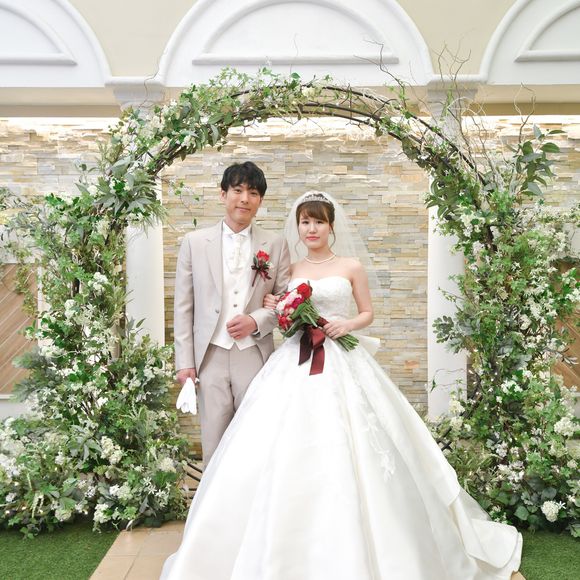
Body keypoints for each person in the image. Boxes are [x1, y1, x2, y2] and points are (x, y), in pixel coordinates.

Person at [162, 191, 522, 579]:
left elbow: (367, 312)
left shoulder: (351, 266)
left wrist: (346, 324)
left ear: (331, 226)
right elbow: (278, 313)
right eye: (305, 222)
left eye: (318, 221)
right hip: (295, 361)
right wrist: (283, 312)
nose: (311, 229)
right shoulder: (290, 267)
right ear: (298, 227)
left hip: (341, 359)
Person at [173, 161, 291, 465]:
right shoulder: (195, 242)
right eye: (237, 190)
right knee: (213, 440)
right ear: (223, 194)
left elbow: (286, 302)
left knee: (255, 438)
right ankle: (214, 497)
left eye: (253, 193)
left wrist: (256, 320)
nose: (244, 199)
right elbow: (184, 306)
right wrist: (185, 362)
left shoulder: (275, 244)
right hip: (209, 354)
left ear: (260, 201)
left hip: (254, 353)